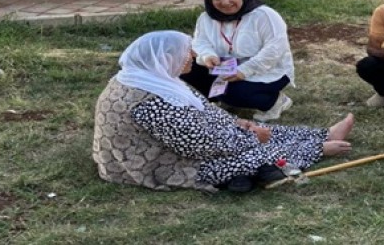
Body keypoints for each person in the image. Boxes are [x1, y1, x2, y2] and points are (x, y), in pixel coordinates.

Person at [92, 30, 354, 193]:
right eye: (186, 53)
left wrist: (240, 124)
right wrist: (251, 136)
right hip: (162, 165)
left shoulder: (149, 78)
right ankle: (318, 148)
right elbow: (199, 146)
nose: (191, 56)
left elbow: (204, 111)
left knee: (257, 130)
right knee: (255, 153)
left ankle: (323, 134)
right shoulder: (148, 100)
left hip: (181, 146)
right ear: (165, 58)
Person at [180, 0, 295, 122]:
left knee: (233, 94)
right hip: (225, 66)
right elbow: (200, 42)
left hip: (266, 69)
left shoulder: (264, 15)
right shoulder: (206, 17)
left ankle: (275, 101)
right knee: (183, 65)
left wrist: (244, 71)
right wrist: (208, 55)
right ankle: (218, 98)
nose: (225, 2)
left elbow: (274, 50)